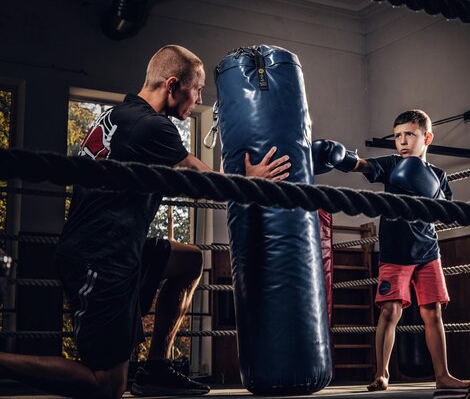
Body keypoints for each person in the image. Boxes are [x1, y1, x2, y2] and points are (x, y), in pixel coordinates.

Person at [0, 45, 290, 399]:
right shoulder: (151, 127)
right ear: (172, 85)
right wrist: (251, 181)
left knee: (190, 261)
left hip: (123, 248)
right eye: (196, 89)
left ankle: (156, 368)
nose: (198, 99)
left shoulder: (119, 115)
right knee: (106, 385)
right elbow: (210, 184)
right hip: (99, 259)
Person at [312, 109, 470, 391]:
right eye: (397, 136)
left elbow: (448, 212)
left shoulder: (438, 174)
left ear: (427, 137)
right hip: (394, 251)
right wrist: (340, 158)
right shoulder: (391, 164)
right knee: (389, 311)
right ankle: (382, 373)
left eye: (409, 134)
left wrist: (430, 191)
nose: (402, 141)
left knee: (433, 313)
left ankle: (443, 375)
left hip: (427, 250)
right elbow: (362, 165)